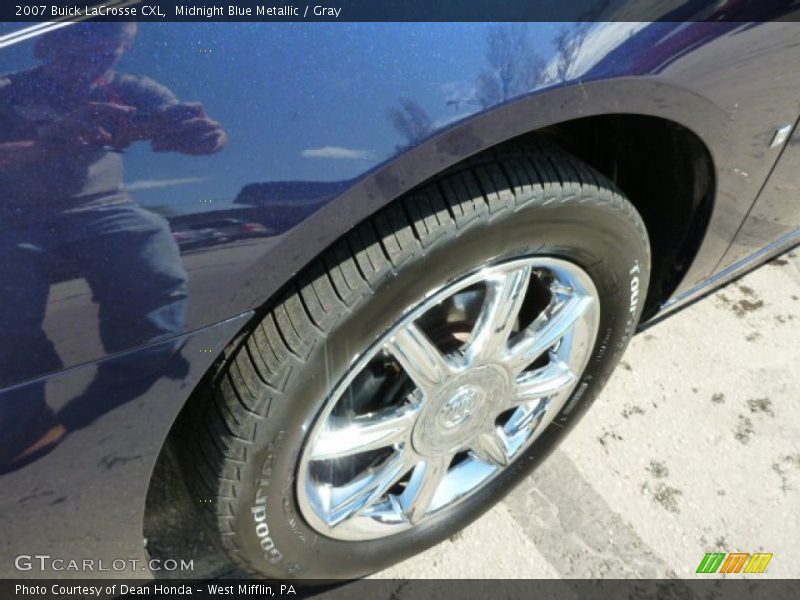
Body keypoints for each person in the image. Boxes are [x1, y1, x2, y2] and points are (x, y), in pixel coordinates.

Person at [0, 22, 227, 471]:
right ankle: (22, 414)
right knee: (9, 305)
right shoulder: (9, 88)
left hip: (104, 205)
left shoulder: (133, 88)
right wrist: (47, 143)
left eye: (109, 53)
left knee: (148, 247)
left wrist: (203, 137)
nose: (94, 64)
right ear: (47, 43)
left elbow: (204, 135)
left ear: (123, 50)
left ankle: (146, 359)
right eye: (80, 51)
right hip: (14, 217)